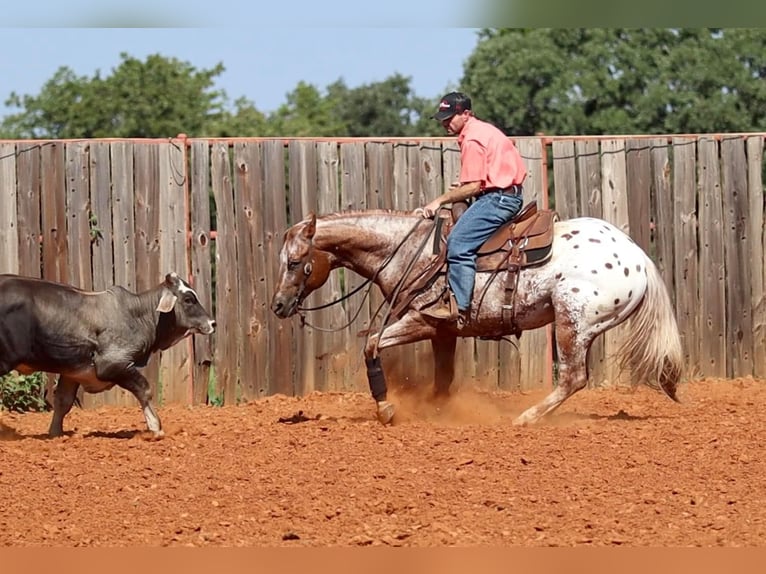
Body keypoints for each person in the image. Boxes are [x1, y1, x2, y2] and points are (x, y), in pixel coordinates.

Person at [416, 92, 527, 328]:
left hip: (498, 199)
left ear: (466, 114)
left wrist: (438, 201)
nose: (445, 123)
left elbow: (474, 186)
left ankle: (459, 308)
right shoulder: (484, 131)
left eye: (450, 117)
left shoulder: (472, 139)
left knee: (458, 243)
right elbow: (482, 180)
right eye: (442, 118)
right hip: (504, 194)